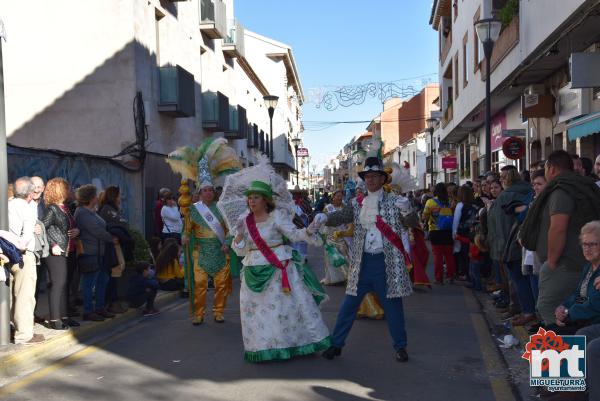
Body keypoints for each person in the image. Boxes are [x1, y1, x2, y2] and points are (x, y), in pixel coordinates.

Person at [318, 156, 415, 362]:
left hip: (385, 263)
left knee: (393, 308)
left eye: (374, 176)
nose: (370, 180)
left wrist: (408, 209)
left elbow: (411, 223)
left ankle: (400, 346)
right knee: (348, 306)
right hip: (361, 263)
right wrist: (324, 217)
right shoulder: (356, 203)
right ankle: (336, 345)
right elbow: (341, 216)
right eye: (367, 176)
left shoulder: (395, 201)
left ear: (382, 179)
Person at [232, 180, 330, 362]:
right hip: (253, 268)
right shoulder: (244, 221)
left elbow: (295, 235)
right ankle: (262, 347)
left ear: (265, 200)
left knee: (283, 309)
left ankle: (289, 345)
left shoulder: (277, 216)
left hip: (278, 268)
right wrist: (238, 233)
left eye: (256, 198)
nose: (251, 201)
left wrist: (311, 228)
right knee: (257, 313)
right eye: (250, 198)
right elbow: (239, 250)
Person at [521, 150, 600, 328]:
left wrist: (551, 261)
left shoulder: (561, 190)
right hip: (579, 261)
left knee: (549, 307)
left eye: (545, 168)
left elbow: (558, 228)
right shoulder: (581, 186)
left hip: (565, 262)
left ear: (552, 168)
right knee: (570, 310)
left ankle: (562, 351)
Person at [182, 177, 232, 325]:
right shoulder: (194, 209)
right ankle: (199, 313)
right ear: (200, 193)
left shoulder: (222, 208)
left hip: (219, 251)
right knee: (200, 283)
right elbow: (187, 230)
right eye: (205, 190)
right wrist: (184, 236)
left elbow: (230, 229)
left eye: (211, 190)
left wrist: (227, 243)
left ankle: (219, 312)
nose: (209, 193)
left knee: (221, 284)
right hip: (201, 252)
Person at [493, 166, 535, 326]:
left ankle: (526, 311)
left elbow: (503, 225)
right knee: (525, 279)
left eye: (503, 176)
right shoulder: (528, 192)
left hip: (513, 243)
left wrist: (502, 249)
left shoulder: (507, 195)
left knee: (518, 279)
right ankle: (526, 310)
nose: (501, 179)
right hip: (522, 242)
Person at [8, 177, 45, 345]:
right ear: (30, 194)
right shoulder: (29, 208)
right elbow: (27, 236)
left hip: (6, 252)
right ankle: (24, 334)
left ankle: (7, 328)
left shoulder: (7, 204)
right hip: (23, 255)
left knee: (8, 294)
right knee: (24, 294)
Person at [74, 184, 119, 322]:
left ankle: (99, 307)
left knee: (102, 280)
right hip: (89, 252)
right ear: (91, 198)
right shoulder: (81, 212)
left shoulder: (92, 211)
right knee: (89, 283)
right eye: (95, 195)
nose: (97, 197)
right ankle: (88, 311)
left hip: (100, 251)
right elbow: (96, 230)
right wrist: (111, 238)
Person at [41, 178, 80, 330]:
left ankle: (64, 317)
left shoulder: (65, 208)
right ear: (59, 190)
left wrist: (78, 231)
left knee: (65, 284)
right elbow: (42, 227)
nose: (70, 191)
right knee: (57, 284)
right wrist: (52, 245)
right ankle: (55, 319)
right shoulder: (52, 209)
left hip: (68, 250)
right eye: (67, 189)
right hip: (56, 252)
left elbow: (72, 226)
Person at [553, 221, 600, 335]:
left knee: (549, 337)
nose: (587, 249)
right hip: (578, 319)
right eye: (584, 244)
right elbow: (578, 295)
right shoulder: (588, 267)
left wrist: (567, 314)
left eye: (592, 244)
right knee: (544, 333)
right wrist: (563, 307)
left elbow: (594, 306)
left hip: (591, 322)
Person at [97, 186, 130, 315]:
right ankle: (109, 303)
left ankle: (111, 302)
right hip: (109, 247)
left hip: (115, 245)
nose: (120, 198)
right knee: (110, 275)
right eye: (118, 195)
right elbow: (118, 224)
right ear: (114, 196)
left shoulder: (113, 209)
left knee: (115, 272)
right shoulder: (107, 210)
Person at [422, 182, 456, 285]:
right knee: (449, 255)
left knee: (438, 256)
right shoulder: (450, 202)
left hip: (435, 231)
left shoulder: (430, 202)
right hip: (448, 231)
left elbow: (424, 216)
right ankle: (450, 276)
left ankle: (438, 278)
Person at [321, 190, 350, 285]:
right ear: (333, 197)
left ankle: (346, 277)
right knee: (331, 258)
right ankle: (334, 279)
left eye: (341, 196)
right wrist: (324, 237)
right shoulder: (328, 208)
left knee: (345, 257)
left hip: (342, 236)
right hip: (330, 236)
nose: (339, 198)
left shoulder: (345, 207)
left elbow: (348, 221)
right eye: (337, 196)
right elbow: (324, 223)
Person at [452, 185, 478, 282]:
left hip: (462, 234)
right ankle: (472, 276)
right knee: (472, 255)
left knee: (463, 255)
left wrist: (454, 234)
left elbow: (456, 221)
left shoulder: (460, 205)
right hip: (473, 233)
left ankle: (466, 275)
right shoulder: (475, 205)